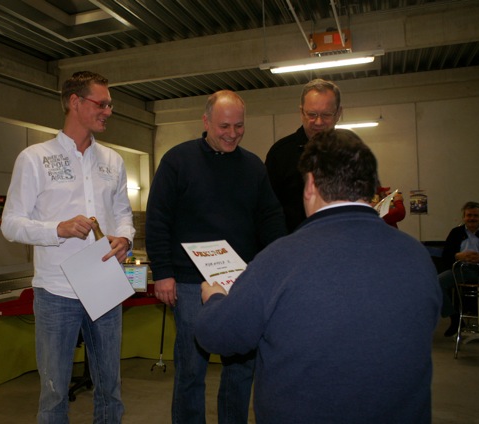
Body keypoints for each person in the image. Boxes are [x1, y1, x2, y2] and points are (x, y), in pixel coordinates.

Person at [196, 129, 441, 424]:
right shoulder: (417, 256)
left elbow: (220, 335)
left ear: (310, 184)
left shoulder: (280, 259)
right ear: (370, 186)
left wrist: (215, 299)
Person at [1, 71, 135, 424]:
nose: (108, 111)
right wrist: (57, 228)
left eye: (110, 105)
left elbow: (123, 214)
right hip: (56, 290)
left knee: (110, 389)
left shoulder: (113, 161)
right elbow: (10, 223)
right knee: (55, 392)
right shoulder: (34, 158)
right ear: (75, 102)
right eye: (101, 104)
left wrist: (125, 237)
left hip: (104, 283)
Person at [145, 90, 286, 424]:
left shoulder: (253, 166)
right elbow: (158, 218)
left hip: (241, 281)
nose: (232, 133)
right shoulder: (177, 161)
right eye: (224, 126)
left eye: (239, 126)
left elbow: (270, 218)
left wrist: (279, 265)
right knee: (191, 369)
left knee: (241, 367)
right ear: (206, 121)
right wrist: (163, 272)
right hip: (190, 283)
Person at [265, 78, 342, 233]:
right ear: (301, 112)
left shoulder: (350, 153)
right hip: (294, 243)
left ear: (338, 113)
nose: (318, 122)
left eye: (326, 115)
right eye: (312, 114)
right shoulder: (280, 154)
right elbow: (267, 211)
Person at [437, 201, 479, 337]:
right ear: (464, 217)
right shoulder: (455, 232)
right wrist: (458, 256)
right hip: (460, 269)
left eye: (475, 215)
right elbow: (446, 255)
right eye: (469, 215)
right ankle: (455, 318)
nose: (472, 218)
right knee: (436, 283)